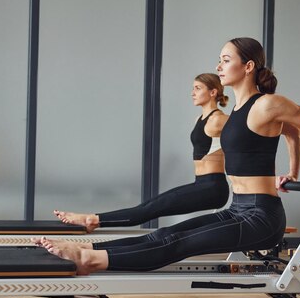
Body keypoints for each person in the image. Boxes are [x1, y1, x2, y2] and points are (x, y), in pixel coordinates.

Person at [37, 37, 300, 275]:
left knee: (177, 243)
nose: (219, 66)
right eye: (219, 61)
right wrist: (292, 173)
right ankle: (86, 247)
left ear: (248, 66)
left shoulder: (267, 104)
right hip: (237, 209)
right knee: (166, 232)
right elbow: (292, 133)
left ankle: (90, 260)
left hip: (261, 216)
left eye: (226, 60)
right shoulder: (236, 110)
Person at [52, 73, 230, 234]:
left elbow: (245, 136)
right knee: (150, 206)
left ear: (213, 92)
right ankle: (93, 220)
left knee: (150, 209)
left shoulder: (219, 119)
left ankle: (92, 219)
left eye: (198, 88)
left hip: (213, 188)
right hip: (200, 184)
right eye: (193, 88)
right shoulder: (199, 119)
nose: (192, 92)